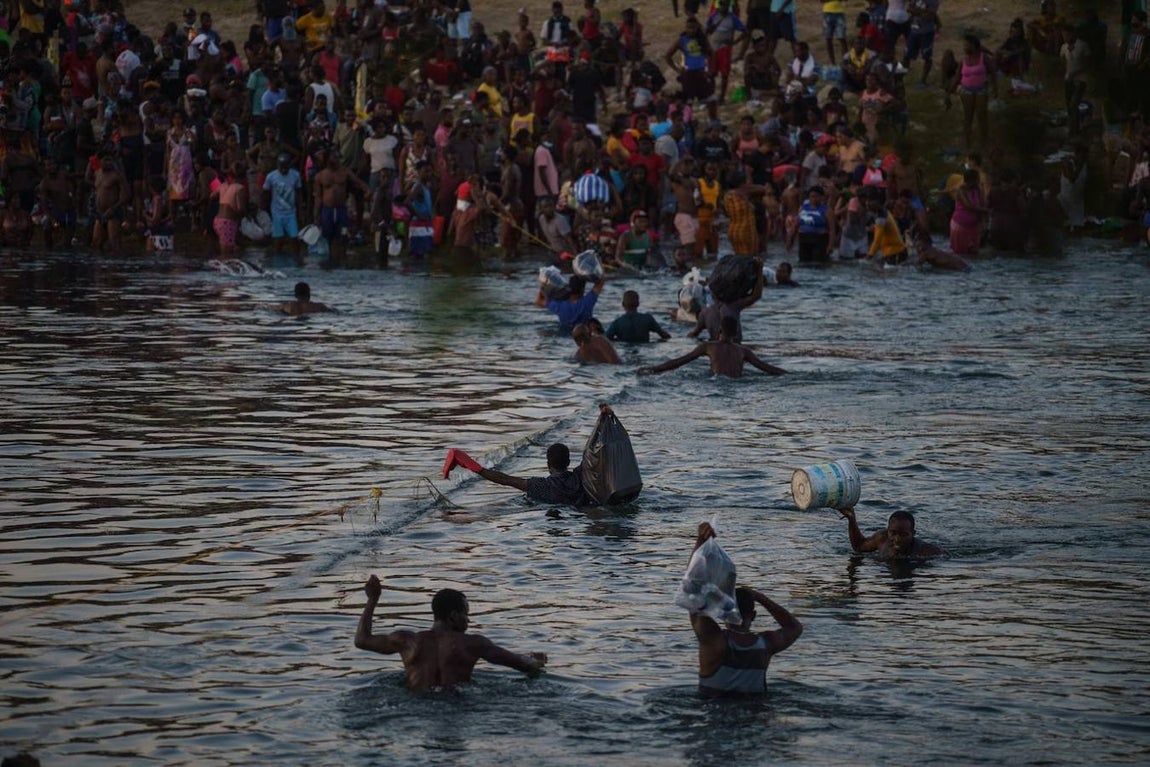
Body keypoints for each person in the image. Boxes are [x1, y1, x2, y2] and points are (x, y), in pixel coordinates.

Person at [354, 575, 547, 692]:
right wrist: (534, 660)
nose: (468, 620)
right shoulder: (472, 644)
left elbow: (362, 640)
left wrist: (372, 599)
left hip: (418, 703)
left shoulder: (407, 641)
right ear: (454, 616)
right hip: (455, 702)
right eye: (466, 614)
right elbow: (523, 666)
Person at [688, 522, 803, 697]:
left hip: (715, 717)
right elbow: (794, 628)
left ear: (724, 612)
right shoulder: (765, 645)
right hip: (754, 717)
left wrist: (700, 541)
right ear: (754, 615)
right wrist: (760, 597)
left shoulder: (713, 641)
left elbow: (693, 591)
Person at [444, 438, 592, 506]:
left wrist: (474, 466)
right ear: (568, 463)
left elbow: (506, 480)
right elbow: (593, 454)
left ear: (548, 464)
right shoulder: (580, 476)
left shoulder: (542, 485)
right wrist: (605, 416)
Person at [643, 316, 786, 378]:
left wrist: (653, 369)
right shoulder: (743, 351)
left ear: (719, 330)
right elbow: (767, 368)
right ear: (736, 333)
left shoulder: (708, 347)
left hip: (716, 381)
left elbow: (679, 362)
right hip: (737, 383)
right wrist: (788, 374)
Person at [840, 507, 944, 559]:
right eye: (893, 533)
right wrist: (851, 519)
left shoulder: (925, 551)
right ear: (888, 531)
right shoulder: (881, 538)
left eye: (904, 534)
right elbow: (859, 546)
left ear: (913, 533)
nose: (897, 539)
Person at [536, 274, 605, 333]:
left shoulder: (559, 305)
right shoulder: (588, 301)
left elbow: (539, 301)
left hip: (564, 331)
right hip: (584, 333)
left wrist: (543, 285)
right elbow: (601, 281)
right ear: (582, 289)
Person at [606, 290, 671, 343]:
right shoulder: (648, 319)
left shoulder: (617, 323)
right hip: (644, 348)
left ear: (623, 304)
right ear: (638, 304)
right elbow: (664, 335)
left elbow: (605, 339)